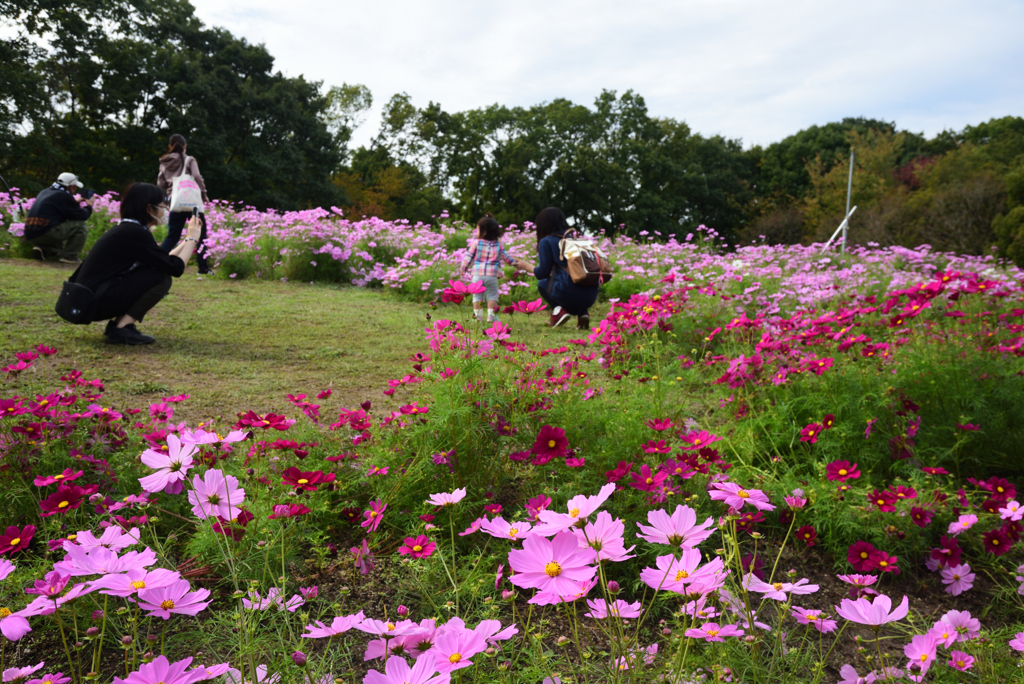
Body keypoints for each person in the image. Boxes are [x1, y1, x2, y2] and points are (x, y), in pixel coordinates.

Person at [70, 182, 201, 345]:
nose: (166, 211)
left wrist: (188, 240)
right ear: (149, 209)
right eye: (162, 206)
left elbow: (164, 260)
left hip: (86, 300)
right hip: (90, 303)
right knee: (161, 277)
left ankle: (118, 326)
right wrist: (193, 238)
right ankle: (122, 328)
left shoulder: (130, 229)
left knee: (156, 270)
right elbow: (176, 268)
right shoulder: (134, 232)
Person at [526, 206, 599, 330]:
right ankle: (583, 313)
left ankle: (559, 311)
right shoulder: (576, 241)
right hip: (591, 295)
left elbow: (543, 273)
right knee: (572, 283)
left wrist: (526, 266)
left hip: (569, 294)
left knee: (542, 283)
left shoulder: (547, 241)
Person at [156, 134, 212, 275]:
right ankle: (203, 268)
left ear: (170, 146)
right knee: (200, 235)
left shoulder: (164, 162)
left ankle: (157, 261)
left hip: (176, 203)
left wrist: (167, 199)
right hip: (193, 203)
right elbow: (197, 176)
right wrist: (204, 194)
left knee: (172, 236)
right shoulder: (189, 160)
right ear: (185, 146)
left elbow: (161, 183)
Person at [23, 173, 97, 264]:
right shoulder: (63, 195)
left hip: (30, 235)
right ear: (71, 187)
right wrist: (89, 205)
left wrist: (76, 202)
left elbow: (65, 211)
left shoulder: (45, 191)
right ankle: (70, 256)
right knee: (80, 226)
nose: (75, 189)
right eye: (75, 187)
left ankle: (44, 250)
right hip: (45, 234)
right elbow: (82, 216)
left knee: (59, 226)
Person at [460, 213, 517, 323]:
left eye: (477, 230)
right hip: (492, 275)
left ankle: (477, 317)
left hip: (477, 275)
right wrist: (513, 262)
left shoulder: (476, 243)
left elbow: (469, 256)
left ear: (484, 231)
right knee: (492, 295)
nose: (476, 233)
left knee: (477, 296)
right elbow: (505, 257)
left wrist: (464, 268)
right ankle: (491, 316)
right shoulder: (498, 244)